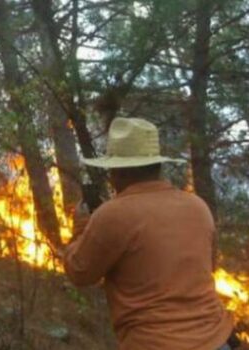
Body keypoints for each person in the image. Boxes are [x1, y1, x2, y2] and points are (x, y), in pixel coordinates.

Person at [63, 117, 239, 350]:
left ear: (117, 171)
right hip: (217, 341)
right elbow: (209, 267)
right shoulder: (197, 206)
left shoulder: (112, 214)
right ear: (157, 166)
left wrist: (81, 230)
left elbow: (79, 272)